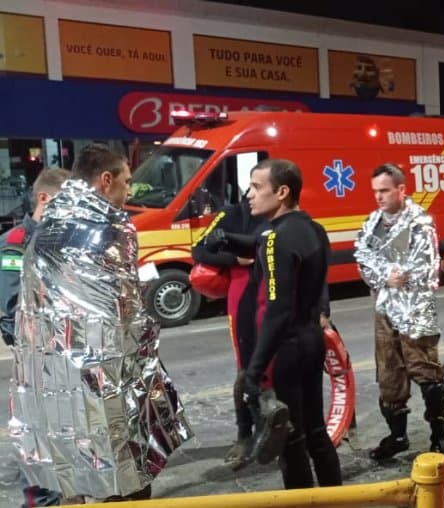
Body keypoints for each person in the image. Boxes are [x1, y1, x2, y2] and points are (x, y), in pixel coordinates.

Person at [9, 144, 191, 503]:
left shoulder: (48, 225)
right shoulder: (110, 226)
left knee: (75, 475)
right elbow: (124, 313)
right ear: (106, 180)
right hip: (106, 378)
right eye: (127, 181)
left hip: (55, 380)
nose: (129, 191)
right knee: (124, 476)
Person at [239, 158, 341, 488]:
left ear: (282, 192)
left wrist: (253, 372)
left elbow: (278, 310)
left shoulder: (275, 238)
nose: (249, 194)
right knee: (316, 432)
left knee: (291, 443)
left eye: (256, 187)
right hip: (312, 340)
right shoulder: (314, 228)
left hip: (288, 349)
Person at [353, 163, 444, 461]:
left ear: (401, 189)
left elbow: (428, 267)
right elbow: (362, 257)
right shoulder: (373, 222)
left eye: (384, 190)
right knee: (389, 376)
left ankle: (439, 436)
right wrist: (385, 276)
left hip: (415, 309)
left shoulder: (419, 223)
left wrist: (397, 276)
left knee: (427, 372)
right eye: (375, 191)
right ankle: (397, 436)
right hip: (385, 310)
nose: (379, 196)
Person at [1, 168, 70, 507]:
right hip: (37, 368)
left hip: (64, 366)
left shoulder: (60, 242)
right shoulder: (16, 243)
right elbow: (11, 311)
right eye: (66, 203)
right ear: (44, 198)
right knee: (41, 458)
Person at [190, 197, 269, 471]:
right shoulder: (233, 214)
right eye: (253, 187)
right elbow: (199, 250)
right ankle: (245, 434)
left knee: (280, 365)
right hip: (244, 291)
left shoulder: (284, 216)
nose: (253, 194)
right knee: (246, 368)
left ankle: (278, 430)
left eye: (259, 187)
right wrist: (234, 259)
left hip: (276, 293)